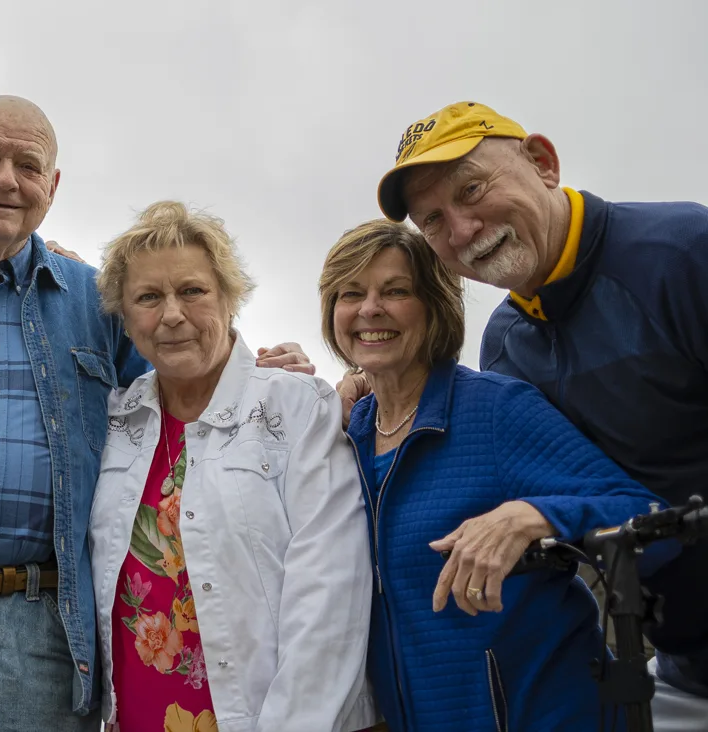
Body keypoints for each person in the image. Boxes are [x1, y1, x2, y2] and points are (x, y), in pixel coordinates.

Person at [0, 95, 313, 731]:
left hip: (50, 627)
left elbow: (181, 386)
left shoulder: (98, 302)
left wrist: (268, 377)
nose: (5, 179)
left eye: (28, 165)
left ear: (52, 186)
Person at [341, 100, 708, 730]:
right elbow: (560, 485)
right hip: (684, 669)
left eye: (473, 189)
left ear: (542, 162)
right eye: (433, 219)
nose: (460, 229)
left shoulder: (684, 253)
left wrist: (541, 513)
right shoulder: (506, 342)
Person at [321, 217, 667, 731]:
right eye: (351, 293)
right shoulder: (344, 435)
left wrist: (533, 514)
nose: (371, 309)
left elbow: (649, 518)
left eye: (395, 291)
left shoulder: (496, 410)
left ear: (434, 306)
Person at [88, 201, 377, 732]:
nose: (172, 314)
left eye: (192, 291)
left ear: (229, 298)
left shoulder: (297, 409)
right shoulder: (110, 425)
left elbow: (330, 594)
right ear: (126, 321)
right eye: (148, 298)